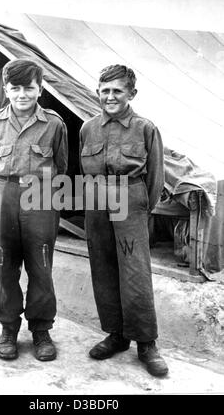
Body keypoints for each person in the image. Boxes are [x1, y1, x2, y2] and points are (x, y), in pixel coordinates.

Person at [79, 64, 168, 377]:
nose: (110, 96)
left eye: (117, 91)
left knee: (135, 272)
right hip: (96, 201)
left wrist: (139, 210)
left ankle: (146, 342)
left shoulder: (145, 128)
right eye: (104, 91)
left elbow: (156, 178)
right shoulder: (87, 128)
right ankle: (116, 335)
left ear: (132, 93)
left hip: (130, 201)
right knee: (103, 267)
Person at [0, 59, 68, 362]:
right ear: (5, 89)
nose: (22, 94)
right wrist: (0, 196)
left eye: (28, 88)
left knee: (41, 264)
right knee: (4, 263)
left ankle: (42, 329)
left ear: (39, 89)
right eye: (15, 88)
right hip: (3, 192)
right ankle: (7, 328)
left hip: (41, 194)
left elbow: (62, 166)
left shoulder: (54, 123)